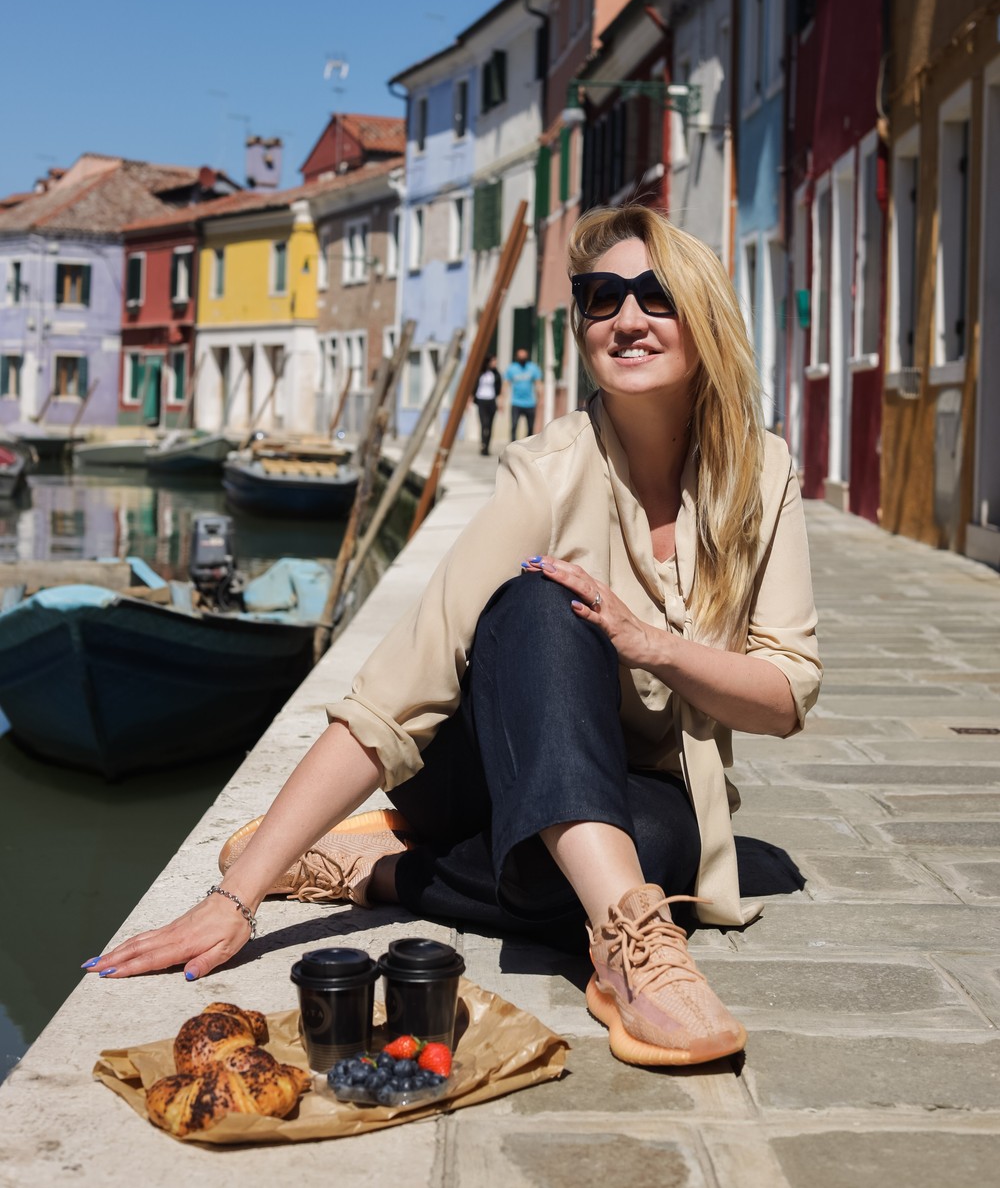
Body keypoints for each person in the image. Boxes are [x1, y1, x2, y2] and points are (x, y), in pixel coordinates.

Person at [85, 205, 821, 1071]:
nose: (626, 320)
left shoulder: (761, 473)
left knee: (658, 854)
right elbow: (396, 692)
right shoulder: (544, 476)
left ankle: (376, 873)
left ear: (703, 314)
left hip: (630, 781)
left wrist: (651, 645)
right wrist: (234, 898)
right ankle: (634, 952)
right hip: (475, 765)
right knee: (544, 607)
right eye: (600, 299)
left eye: (655, 297)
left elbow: (785, 695)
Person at [504, 346, 542, 440]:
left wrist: (541, 398)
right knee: (514, 425)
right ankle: (513, 444)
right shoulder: (512, 369)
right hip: (516, 402)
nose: (522, 359)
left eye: (524, 357)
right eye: (520, 357)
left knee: (530, 427)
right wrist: (502, 399)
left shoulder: (533, 368)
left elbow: (538, 384)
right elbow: (505, 384)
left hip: (530, 403)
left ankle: (527, 446)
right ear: (517, 357)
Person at [472, 354, 502, 456]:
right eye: (493, 361)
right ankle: (483, 444)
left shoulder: (496, 374)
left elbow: (499, 389)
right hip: (481, 400)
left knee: (489, 425)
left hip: (491, 401)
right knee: (484, 424)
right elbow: (473, 386)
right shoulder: (480, 373)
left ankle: (487, 447)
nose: (495, 363)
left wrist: (500, 402)